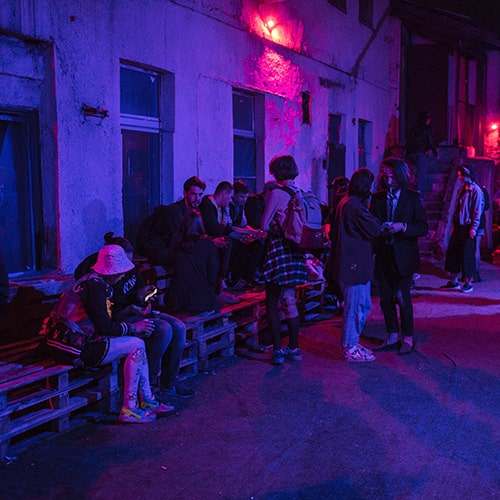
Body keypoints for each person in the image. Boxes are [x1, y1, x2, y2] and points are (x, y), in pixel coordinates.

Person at [44, 245, 173, 423]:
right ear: (111, 272)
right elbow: (105, 327)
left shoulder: (94, 282)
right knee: (137, 345)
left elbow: (103, 321)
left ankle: (147, 401)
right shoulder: (95, 287)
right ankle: (130, 408)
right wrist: (135, 327)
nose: (122, 275)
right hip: (73, 347)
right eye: (120, 272)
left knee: (137, 344)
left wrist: (129, 316)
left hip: (71, 342)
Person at [74, 232, 193, 399]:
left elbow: (139, 294)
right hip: (120, 320)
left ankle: (169, 382)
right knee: (163, 329)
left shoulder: (127, 270)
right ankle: (149, 388)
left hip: (134, 312)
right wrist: (132, 317)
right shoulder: (100, 283)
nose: (126, 270)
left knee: (179, 326)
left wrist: (143, 298)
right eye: (123, 265)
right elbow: (107, 320)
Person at [370, 157, 428, 355]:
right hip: (384, 254)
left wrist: (402, 227)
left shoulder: (412, 197)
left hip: (404, 256)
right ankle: (392, 335)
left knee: (402, 297)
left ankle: (408, 338)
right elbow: (372, 224)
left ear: (401, 175)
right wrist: (380, 229)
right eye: (385, 174)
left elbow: (423, 227)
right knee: (385, 298)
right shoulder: (377, 198)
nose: (388, 179)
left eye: (392, 175)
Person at [260, 155, 307, 365]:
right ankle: (295, 347)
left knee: (272, 299)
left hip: (279, 249)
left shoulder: (276, 193)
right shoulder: (300, 192)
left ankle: (277, 349)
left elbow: (264, 225)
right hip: (296, 250)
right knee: (289, 298)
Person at [332, 168, 381, 362]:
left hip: (350, 261)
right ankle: (349, 347)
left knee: (360, 305)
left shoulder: (346, 202)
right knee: (356, 306)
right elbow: (374, 229)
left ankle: (352, 342)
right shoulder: (355, 206)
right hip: (355, 263)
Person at [137, 176, 207, 266]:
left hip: (171, 248)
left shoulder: (193, 211)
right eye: (193, 194)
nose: (197, 199)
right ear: (185, 193)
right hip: (157, 251)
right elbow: (180, 240)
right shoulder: (174, 211)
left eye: (200, 194)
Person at [166, 210, 223, 315]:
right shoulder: (207, 244)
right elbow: (213, 273)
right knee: (218, 302)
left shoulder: (176, 243)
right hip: (200, 301)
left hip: (177, 301)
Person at [442, 164, 484, 293]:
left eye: (461, 175)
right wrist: (454, 226)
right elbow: (458, 209)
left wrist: (473, 228)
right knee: (453, 253)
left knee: (467, 255)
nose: (460, 177)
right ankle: (453, 281)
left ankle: (468, 283)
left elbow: (477, 211)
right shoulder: (463, 189)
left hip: (468, 227)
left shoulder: (476, 191)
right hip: (459, 225)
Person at [227, 180, 267, 289]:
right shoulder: (228, 206)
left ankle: (250, 275)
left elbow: (244, 225)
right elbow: (230, 227)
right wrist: (250, 232)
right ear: (233, 195)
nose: (244, 200)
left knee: (259, 242)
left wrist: (256, 232)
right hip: (230, 234)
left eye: (245, 197)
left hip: (238, 233)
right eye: (241, 197)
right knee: (241, 246)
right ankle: (234, 278)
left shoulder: (241, 207)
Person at [405, 111, 439, 192]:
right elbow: (431, 141)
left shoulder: (414, 128)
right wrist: (435, 152)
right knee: (421, 174)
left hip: (411, 153)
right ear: (427, 120)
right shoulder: (427, 129)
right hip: (421, 153)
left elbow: (409, 139)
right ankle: (419, 194)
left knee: (411, 174)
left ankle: (409, 191)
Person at [474, 184, 490, 283]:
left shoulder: (469, 188)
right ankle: (476, 273)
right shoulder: (482, 189)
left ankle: (468, 273)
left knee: (469, 248)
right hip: (480, 220)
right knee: (476, 247)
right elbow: (487, 206)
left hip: (470, 220)